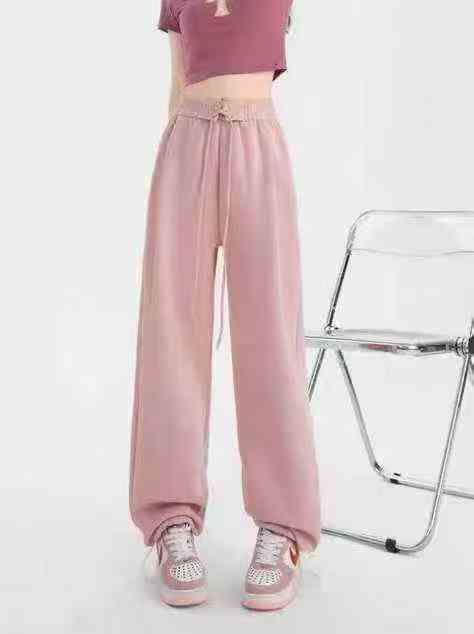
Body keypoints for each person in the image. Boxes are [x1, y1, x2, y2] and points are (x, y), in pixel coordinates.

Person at [129, 0, 321, 611]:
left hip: (257, 140)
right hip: (186, 142)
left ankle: (282, 527)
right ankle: (171, 519)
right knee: (171, 334)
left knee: (271, 339)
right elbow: (176, 81)